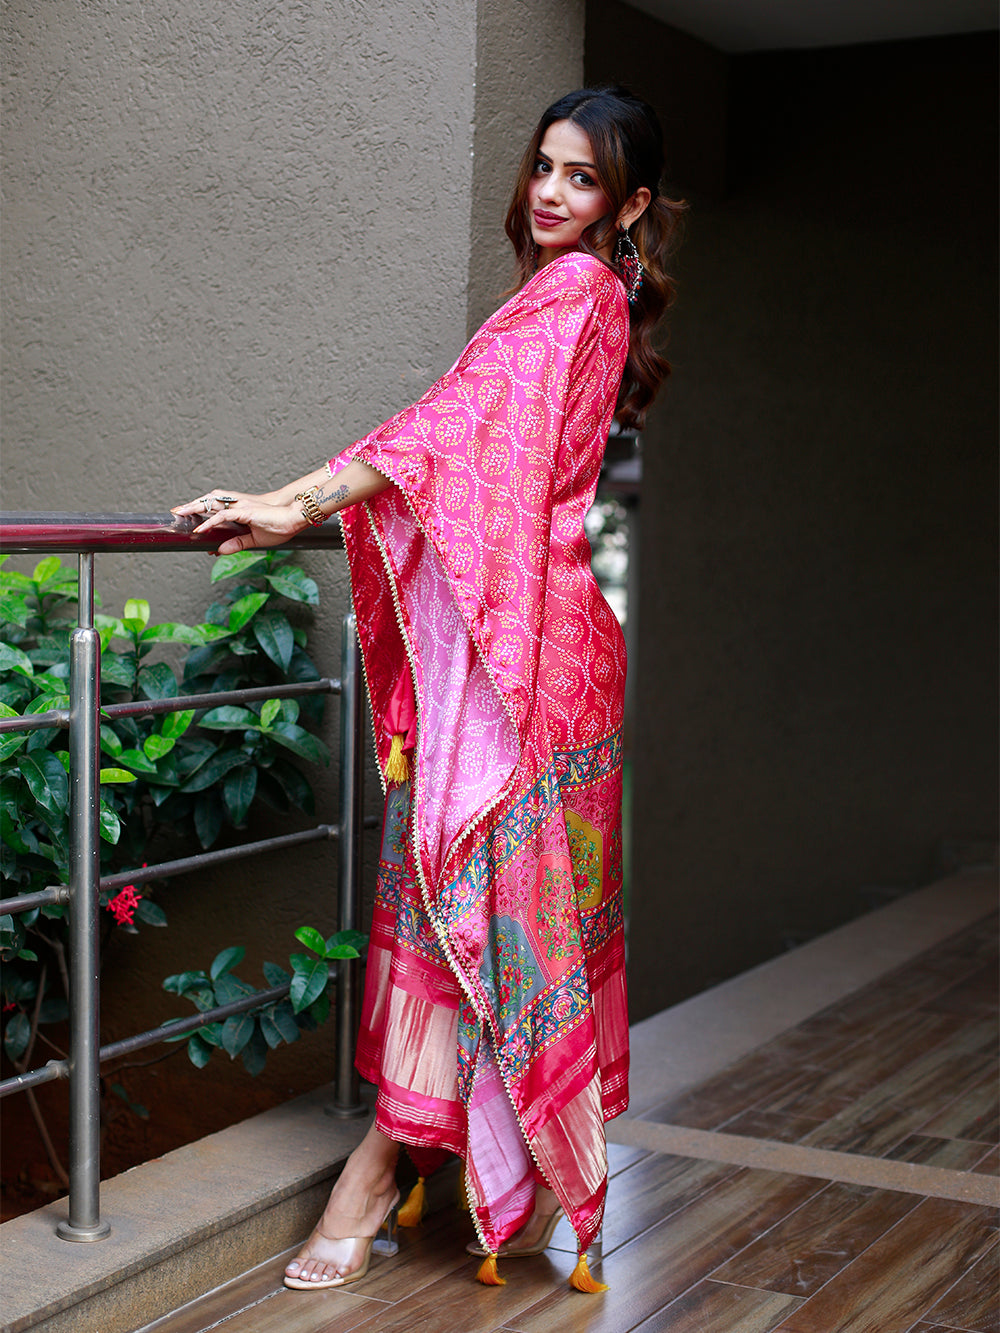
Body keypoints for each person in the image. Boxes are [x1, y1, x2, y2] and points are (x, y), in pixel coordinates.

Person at [173, 85, 684, 1295]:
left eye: (583, 178)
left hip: (522, 675)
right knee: (492, 922)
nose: (550, 192)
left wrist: (290, 503)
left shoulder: (573, 291)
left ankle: (371, 1176)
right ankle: (476, 1172)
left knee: (470, 917)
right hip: (553, 661)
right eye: (544, 166)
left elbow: (441, 436)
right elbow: (471, 451)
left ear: (629, 207)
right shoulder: (581, 299)